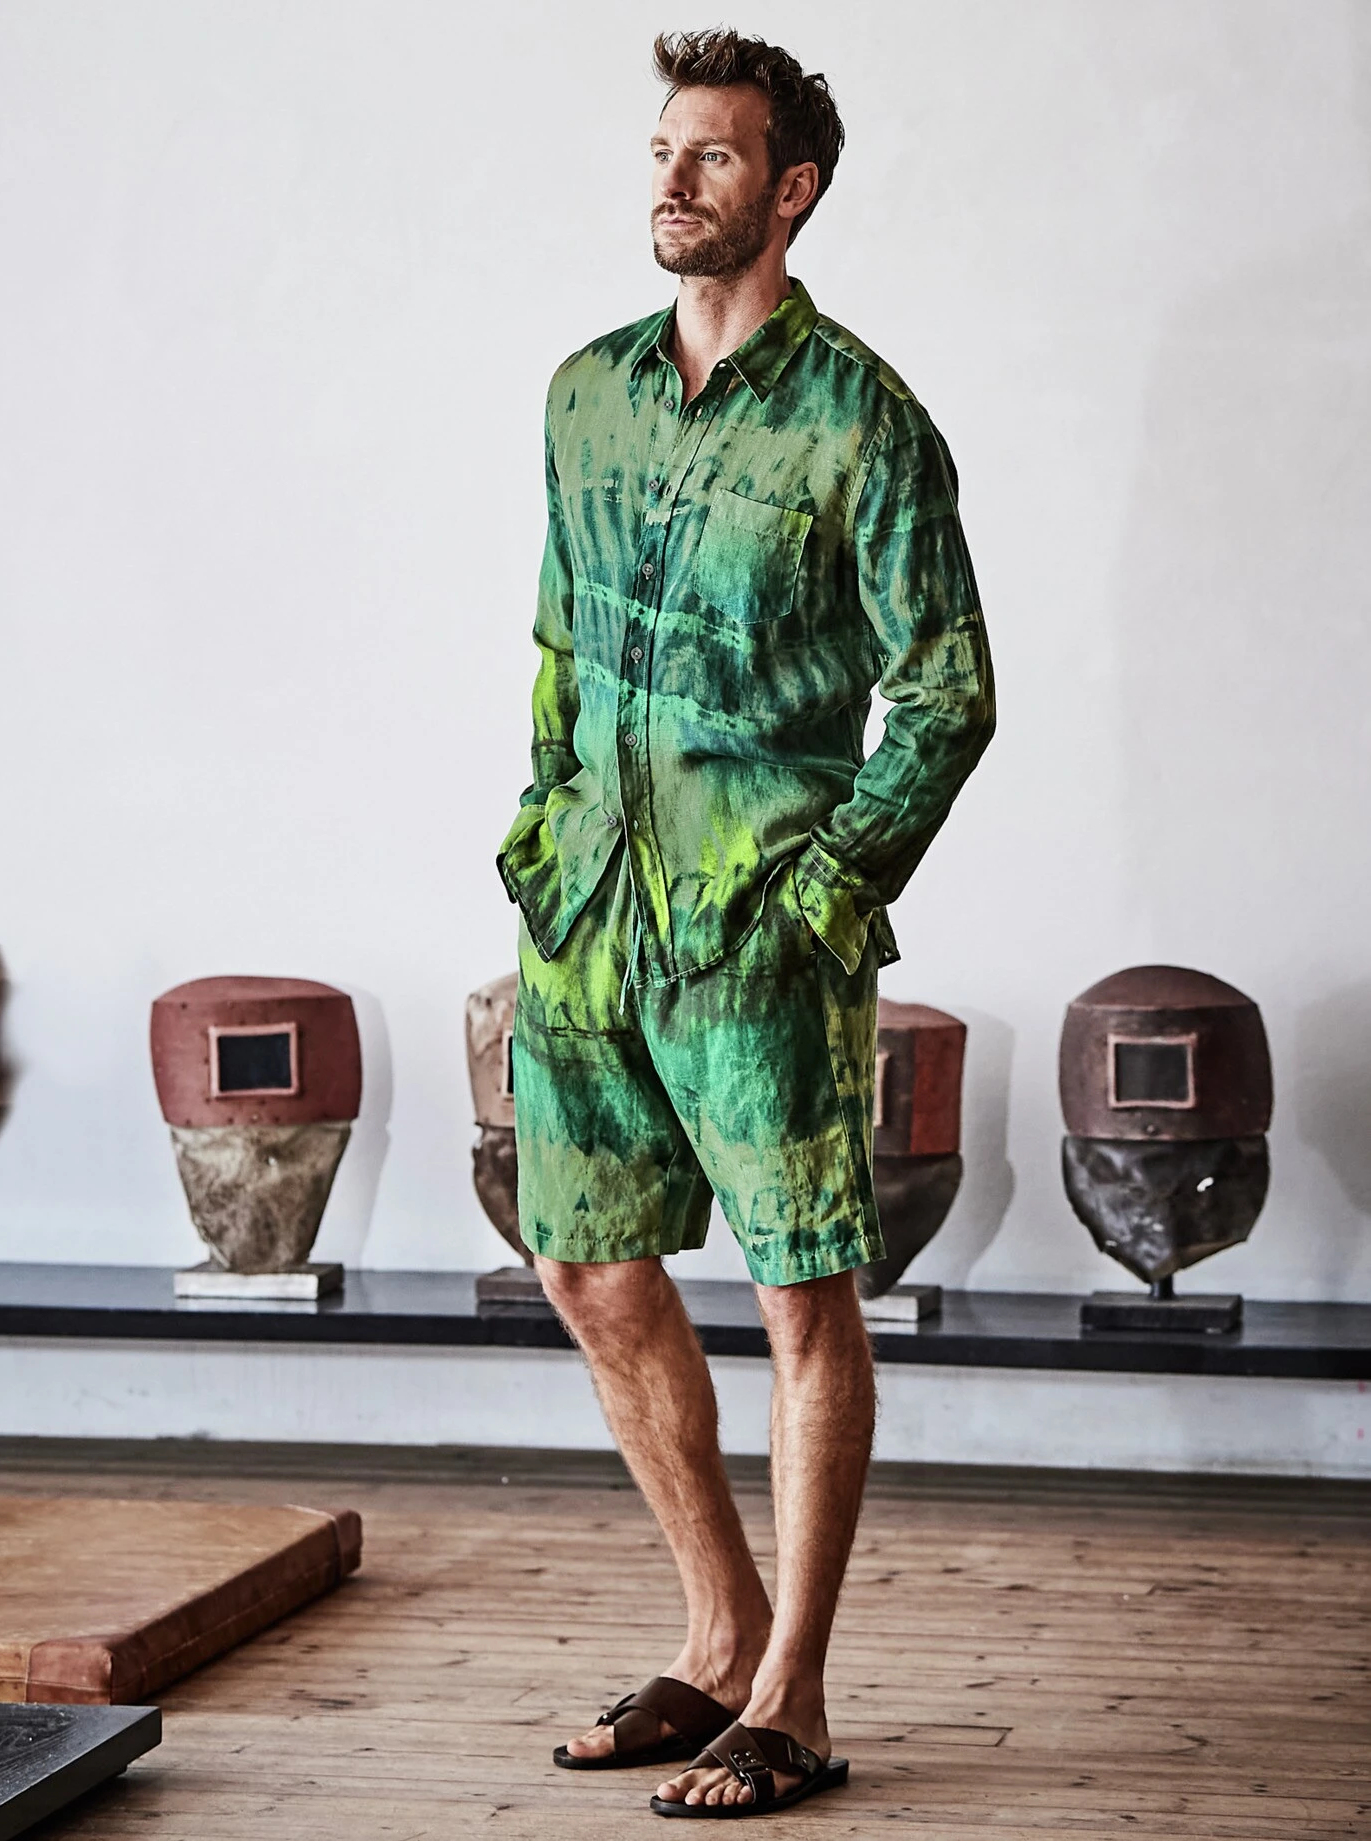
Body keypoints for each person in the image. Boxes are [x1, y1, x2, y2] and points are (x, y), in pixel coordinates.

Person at [495, 27, 994, 1819]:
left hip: (758, 926)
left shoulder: (864, 422)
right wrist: (545, 823)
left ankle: (795, 1694)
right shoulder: (586, 396)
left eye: (711, 156)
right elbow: (559, 642)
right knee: (585, 1267)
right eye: (662, 150)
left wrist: (828, 890)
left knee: (799, 1291)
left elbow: (947, 694)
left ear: (791, 190)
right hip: (591, 912)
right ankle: (718, 1638)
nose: (671, 180)